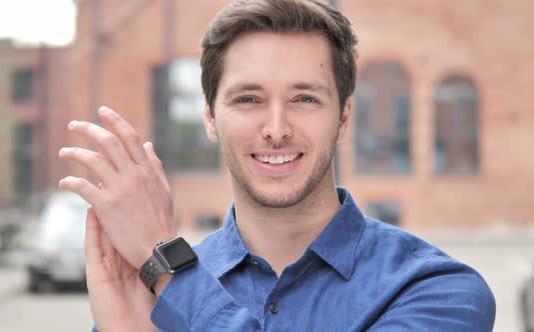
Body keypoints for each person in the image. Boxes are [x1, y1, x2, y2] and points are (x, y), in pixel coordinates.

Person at [58, 0, 496, 331]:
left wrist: (168, 266)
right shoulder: (144, 299)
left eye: (305, 98)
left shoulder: (439, 292)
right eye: (248, 99)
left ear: (343, 117)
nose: (276, 128)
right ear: (210, 118)